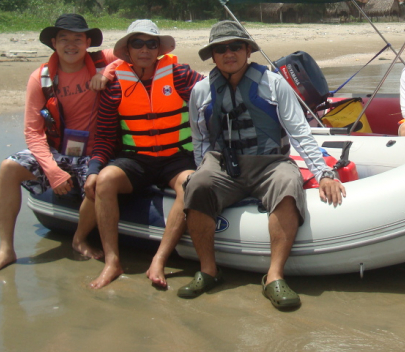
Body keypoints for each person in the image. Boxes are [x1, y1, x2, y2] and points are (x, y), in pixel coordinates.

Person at [179, 21, 345, 308]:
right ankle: (208, 270)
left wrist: (324, 174)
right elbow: (200, 138)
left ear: (247, 50)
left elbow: (299, 131)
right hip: (222, 163)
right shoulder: (201, 91)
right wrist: (202, 167)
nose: (228, 53)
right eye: (221, 49)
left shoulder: (273, 83)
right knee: (198, 184)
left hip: (270, 163)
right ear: (213, 55)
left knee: (287, 182)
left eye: (235, 47)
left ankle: (274, 277)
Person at [0, 14, 114, 275]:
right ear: (54, 42)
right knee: (8, 167)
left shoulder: (102, 61)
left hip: (95, 152)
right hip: (58, 152)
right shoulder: (40, 78)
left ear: (88, 42)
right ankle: (6, 249)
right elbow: (32, 131)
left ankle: (79, 238)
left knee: (99, 180)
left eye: (78, 38)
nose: (71, 45)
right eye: (64, 39)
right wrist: (52, 171)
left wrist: (106, 73)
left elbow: (130, 55)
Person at [84, 20, 205, 289]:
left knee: (190, 184)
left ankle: (158, 260)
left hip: (177, 157)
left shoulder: (180, 75)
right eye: (137, 43)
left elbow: (213, 90)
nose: (145, 49)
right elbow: (103, 137)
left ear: (159, 49)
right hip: (136, 159)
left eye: (151, 43)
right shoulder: (113, 86)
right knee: (104, 180)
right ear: (127, 50)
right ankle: (112, 262)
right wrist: (93, 169)